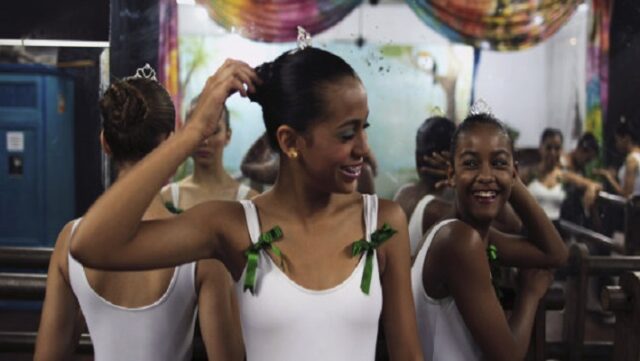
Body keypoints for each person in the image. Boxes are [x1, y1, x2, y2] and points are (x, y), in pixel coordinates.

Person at [71, 48, 423, 360]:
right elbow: (93, 245)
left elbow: (407, 354)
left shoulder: (382, 223)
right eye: (347, 134)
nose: (363, 148)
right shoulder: (234, 226)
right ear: (289, 141)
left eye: (365, 128)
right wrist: (193, 132)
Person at [34, 75, 243, 361]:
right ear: (169, 145)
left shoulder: (68, 241)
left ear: (105, 143)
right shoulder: (200, 249)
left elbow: (47, 356)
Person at [411, 112, 568, 361]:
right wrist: (529, 293)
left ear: (515, 174)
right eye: (471, 163)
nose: (485, 176)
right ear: (451, 174)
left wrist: (508, 180)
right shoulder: (459, 240)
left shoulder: (470, 234)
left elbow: (556, 253)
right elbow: (509, 357)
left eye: (498, 163)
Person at [162, 96, 257, 214]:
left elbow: (275, 232)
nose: (205, 140)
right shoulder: (167, 198)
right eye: (197, 131)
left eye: (214, 131)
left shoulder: (250, 201)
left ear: (227, 136)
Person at [522, 128, 601, 221]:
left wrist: (591, 188)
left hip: (554, 230)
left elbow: (593, 184)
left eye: (557, 148)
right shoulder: (529, 174)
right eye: (548, 148)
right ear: (541, 148)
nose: (553, 153)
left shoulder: (563, 176)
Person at [595, 119, 640, 198]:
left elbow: (627, 194)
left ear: (626, 138)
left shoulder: (631, 160)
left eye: (617, 140)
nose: (616, 144)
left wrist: (609, 177)